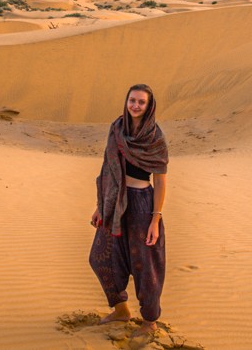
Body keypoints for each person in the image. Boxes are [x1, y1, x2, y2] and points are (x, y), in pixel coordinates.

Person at [89, 83, 169, 337]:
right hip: (114, 205)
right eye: (132, 100)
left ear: (149, 106)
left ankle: (149, 322)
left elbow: (160, 180)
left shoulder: (155, 137)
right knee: (100, 256)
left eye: (141, 102)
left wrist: (155, 219)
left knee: (146, 264)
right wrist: (100, 206)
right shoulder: (117, 129)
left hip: (142, 203)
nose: (135, 105)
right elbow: (108, 169)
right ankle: (122, 309)